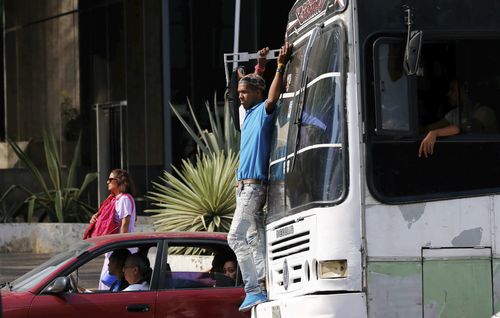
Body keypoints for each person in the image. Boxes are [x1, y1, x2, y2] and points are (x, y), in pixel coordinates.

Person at [227, 42, 292, 312]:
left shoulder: (264, 112)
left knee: (234, 238)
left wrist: (279, 66)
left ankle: (253, 289)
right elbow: (256, 86)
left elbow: (271, 96)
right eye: (239, 92)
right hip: (243, 187)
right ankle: (264, 283)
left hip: (253, 188)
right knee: (253, 238)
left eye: (244, 92)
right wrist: (260, 67)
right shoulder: (248, 114)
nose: (240, 96)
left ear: (256, 93)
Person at [83, 168, 137, 290]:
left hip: (122, 249)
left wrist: (120, 251)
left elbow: (125, 225)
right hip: (115, 249)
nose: (107, 182)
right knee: (107, 284)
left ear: (120, 182)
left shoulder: (124, 199)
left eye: (110, 179)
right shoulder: (114, 200)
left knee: (111, 286)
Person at [418, 79, 497, 157]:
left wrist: (435, 133)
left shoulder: (484, 111)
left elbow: (466, 127)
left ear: (465, 91)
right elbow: (428, 128)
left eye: (452, 90)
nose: (448, 94)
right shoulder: (455, 113)